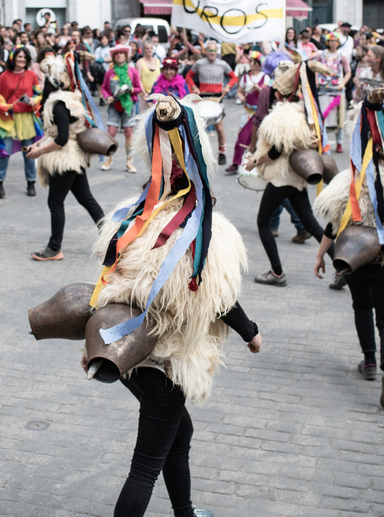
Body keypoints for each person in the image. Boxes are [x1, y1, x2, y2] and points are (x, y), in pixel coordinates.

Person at [83, 96, 261, 517]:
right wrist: (250, 332)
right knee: (145, 466)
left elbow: (109, 283)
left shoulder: (130, 219)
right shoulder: (203, 231)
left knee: (180, 434)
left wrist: (92, 343)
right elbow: (216, 299)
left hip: (125, 353)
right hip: (166, 360)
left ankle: (185, 511)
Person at [313, 88, 384, 410]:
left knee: (362, 307)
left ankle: (369, 362)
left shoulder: (346, 182)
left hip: (355, 258)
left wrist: (320, 254)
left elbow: (333, 225)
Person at [246, 61, 331, 287]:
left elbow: (277, 151)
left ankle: (277, 273)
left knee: (263, 223)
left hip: (281, 177)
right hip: (296, 176)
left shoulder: (282, 115)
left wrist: (255, 161)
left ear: (279, 93)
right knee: (311, 224)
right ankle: (343, 268)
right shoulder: (303, 112)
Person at [25, 55, 104, 261]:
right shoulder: (71, 99)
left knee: (55, 202)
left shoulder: (59, 103)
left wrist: (39, 152)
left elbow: (61, 139)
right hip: (74, 156)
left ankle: (54, 248)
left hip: (65, 159)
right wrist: (37, 144)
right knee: (86, 199)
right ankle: (112, 240)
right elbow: (57, 131)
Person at [0, 46, 40, 198]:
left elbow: (39, 93)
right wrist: (6, 106)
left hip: (26, 119)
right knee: (4, 152)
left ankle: (31, 182)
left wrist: (34, 100)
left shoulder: (31, 75)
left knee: (29, 152)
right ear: (13, 58)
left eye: (24, 57)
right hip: (9, 119)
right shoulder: (4, 76)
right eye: (19, 57)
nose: (22, 60)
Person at [185, 41, 235, 165]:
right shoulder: (199, 63)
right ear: (206, 51)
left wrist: (228, 86)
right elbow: (188, 76)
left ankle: (222, 153)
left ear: (217, 52)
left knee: (219, 127)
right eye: (210, 50)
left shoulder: (223, 64)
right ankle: (199, 153)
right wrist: (194, 87)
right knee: (200, 127)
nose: (212, 53)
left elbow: (234, 77)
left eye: (214, 50)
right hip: (203, 98)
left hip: (218, 98)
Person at [100, 44, 142, 172]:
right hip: (114, 106)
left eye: (121, 53)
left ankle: (129, 161)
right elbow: (103, 88)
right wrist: (107, 97)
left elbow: (139, 88)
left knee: (128, 133)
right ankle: (108, 159)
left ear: (125, 56)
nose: (119, 56)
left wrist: (131, 89)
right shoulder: (110, 72)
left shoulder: (132, 71)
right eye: (116, 54)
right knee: (111, 132)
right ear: (113, 57)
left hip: (128, 106)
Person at [226, 51, 268, 174]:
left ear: (258, 64)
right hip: (248, 111)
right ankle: (236, 162)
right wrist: (241, 97)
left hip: (261, 112)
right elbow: (239, 91)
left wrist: (258, 89)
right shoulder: (245, 77)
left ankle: (260, 163)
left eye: (253, 62)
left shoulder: (265, 77)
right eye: (250, 61)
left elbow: (267, 94)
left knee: (261, 138)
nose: (251, 64)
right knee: (242, 136)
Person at [317, 33, 352, 153]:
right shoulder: (321, 54)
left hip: (337, 87)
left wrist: (343, 83)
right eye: (331, 41)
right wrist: (316, 80)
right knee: (323, 115)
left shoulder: (342, 55)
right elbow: (315, 68)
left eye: (335, 41)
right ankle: (323, 142)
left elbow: (348, 72)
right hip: (323, 86)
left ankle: (339, 143)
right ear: (327, 42)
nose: (333, 43)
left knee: (339, 116)